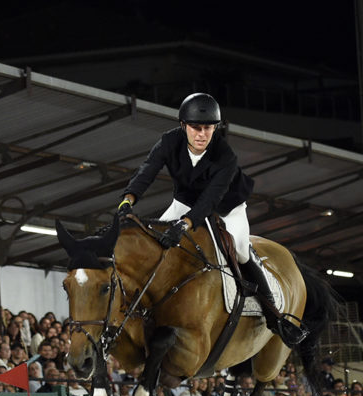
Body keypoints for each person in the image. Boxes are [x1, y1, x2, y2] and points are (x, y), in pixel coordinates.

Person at [117, 92, 305, 346]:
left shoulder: (225, 156)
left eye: (208, 128)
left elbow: (210, 201)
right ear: (184, 126)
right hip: (185, 200)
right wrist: (128, 200)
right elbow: (147, 171)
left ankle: (275, 316)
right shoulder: (168, 142)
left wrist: (184, 224)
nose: (202, 134)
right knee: (156, 243)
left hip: (227, 206)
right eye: (196, 127)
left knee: (240, 252)